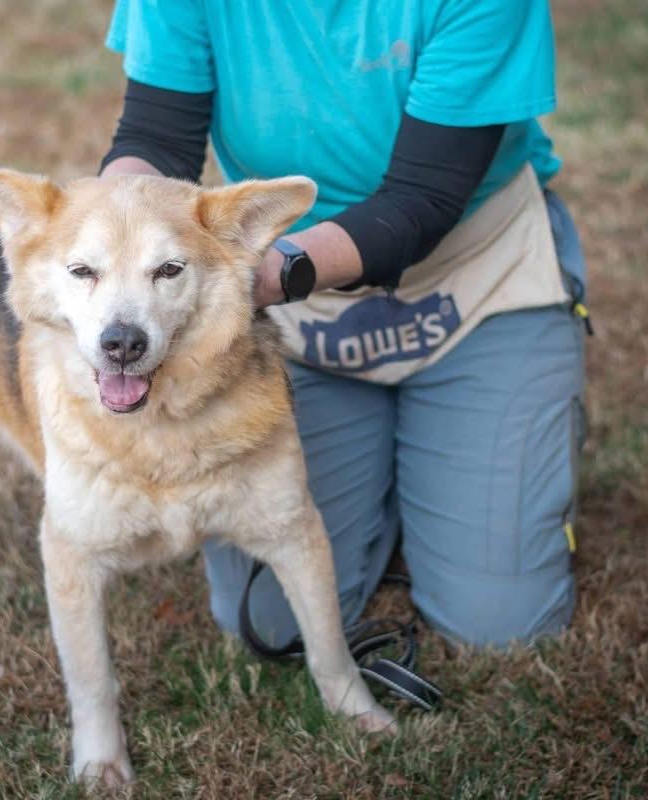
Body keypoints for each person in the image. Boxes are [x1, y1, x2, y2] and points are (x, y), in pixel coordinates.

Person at [98, 0, 589, 648]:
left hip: (475, 283)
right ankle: (398, 482)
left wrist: (256, 278)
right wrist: (108, 240)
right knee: (275, 626)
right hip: (290, 313)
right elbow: (157, 142)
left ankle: (472, 455)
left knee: (502, 624)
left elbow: (423, 202)